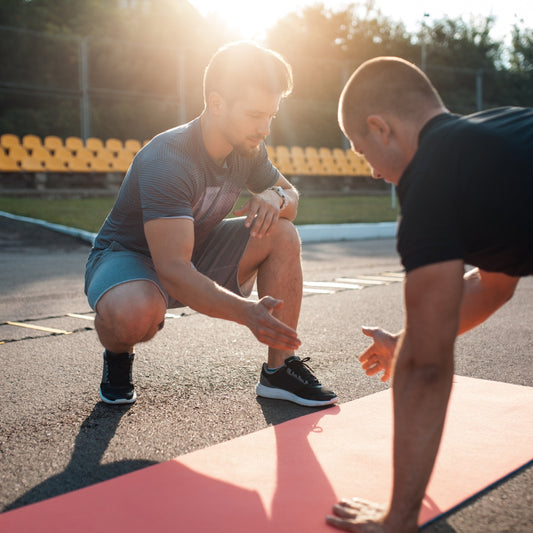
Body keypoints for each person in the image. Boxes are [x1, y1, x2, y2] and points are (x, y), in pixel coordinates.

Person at [328, 56, 533, 532]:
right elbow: (494, 284)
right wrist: (409, 340)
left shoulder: (434, 177)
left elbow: (427, 369)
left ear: (382, 129)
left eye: (362, 152)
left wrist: (397, 519)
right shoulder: (489, 139)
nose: (374, 173)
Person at [84, 41, 337, 408]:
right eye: (254, 114)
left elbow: (291, 197)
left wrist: (275, 197)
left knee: (281, 232)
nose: (264, 128)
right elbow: (172, 270)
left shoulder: (248, 148)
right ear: (217, 104)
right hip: (130, 259)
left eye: (271, 116)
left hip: (194, 251)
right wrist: (247, 313)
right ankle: (118, 354)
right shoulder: (168, 159)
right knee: (134, 315)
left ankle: (279, 370)